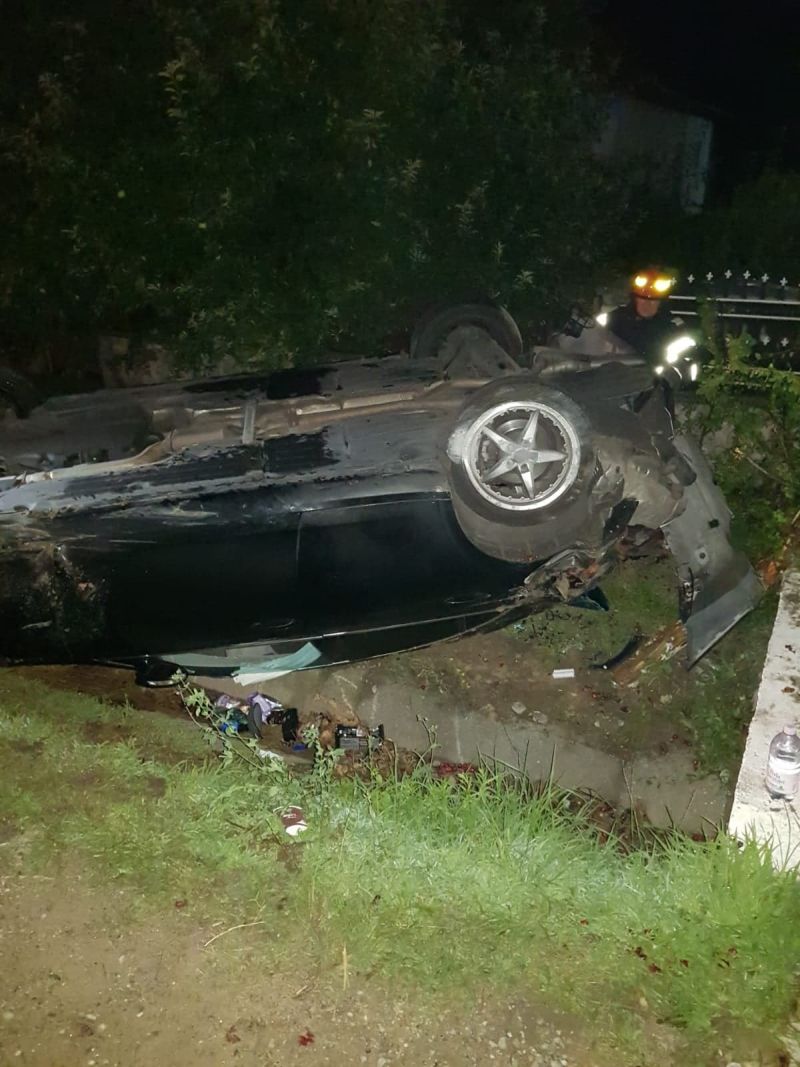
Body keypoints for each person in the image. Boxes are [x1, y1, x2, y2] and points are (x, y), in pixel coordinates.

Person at [598, 266, 700, 383]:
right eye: (643, 299)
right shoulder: (612, 320)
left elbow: (686, 368)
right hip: (612, 383)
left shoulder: (674, 327)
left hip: (656, 386)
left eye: (653, 301)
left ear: (661, 303)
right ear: (634, 299)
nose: (647, 304)